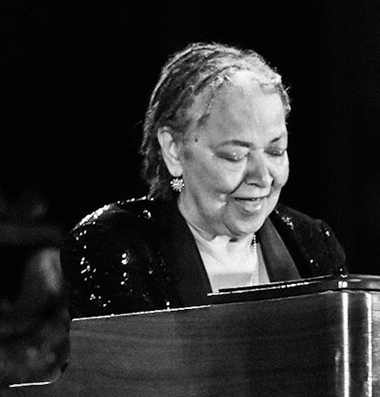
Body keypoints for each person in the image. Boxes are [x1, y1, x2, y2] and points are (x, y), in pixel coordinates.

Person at [65, 42, 345, 316]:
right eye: (235, 155)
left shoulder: (312, 243)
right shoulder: (114, 246)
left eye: (275, 151)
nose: (262, 177)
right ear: (173, 150)